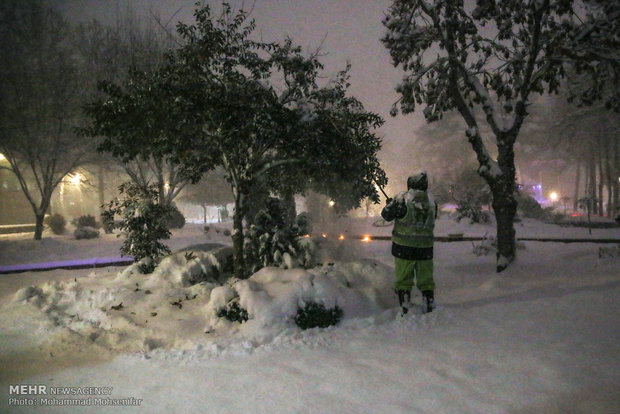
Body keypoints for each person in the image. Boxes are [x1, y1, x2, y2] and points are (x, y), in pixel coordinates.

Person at [381, 172, 437, 315]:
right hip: (425, 248)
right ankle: (428, 304)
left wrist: (390, 206)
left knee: (404, 279)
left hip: (404, 248)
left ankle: (405, 306)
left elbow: (386, 215)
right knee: (426, 280)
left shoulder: (402, 199)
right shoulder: (432, 202)